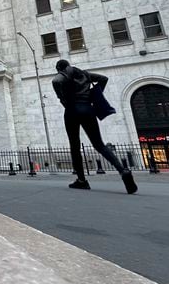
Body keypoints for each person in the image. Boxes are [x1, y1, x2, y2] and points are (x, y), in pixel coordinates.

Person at [52, 60, 137, 194]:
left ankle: (81, 180)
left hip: (72, 110)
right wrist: (93, 95)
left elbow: (56, 81)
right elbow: (103, 79)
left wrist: (62, 98)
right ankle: (123, 170)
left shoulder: (63, 75)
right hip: (88, 108)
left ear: (59, 68)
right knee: (99, 144)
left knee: (75, 146)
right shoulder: (84, 74)